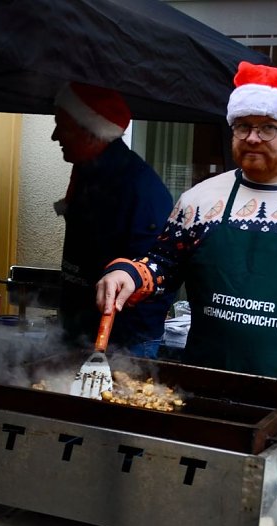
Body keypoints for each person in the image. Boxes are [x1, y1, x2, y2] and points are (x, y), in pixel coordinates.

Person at [96, 62, 277, 449]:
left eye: (267, 127)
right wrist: (129, 273)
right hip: (203, 395)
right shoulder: (198, 200)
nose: (253, 138)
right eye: (242, 127)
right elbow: (162, 266)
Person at [51, 82, 174, 357]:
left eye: (62, 125)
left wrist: (118, 342)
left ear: (91, 132)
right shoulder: (84, 175)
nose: (54, 136)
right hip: (76, 331)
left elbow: (157, 272)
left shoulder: (140, 190)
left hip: (125, 342)